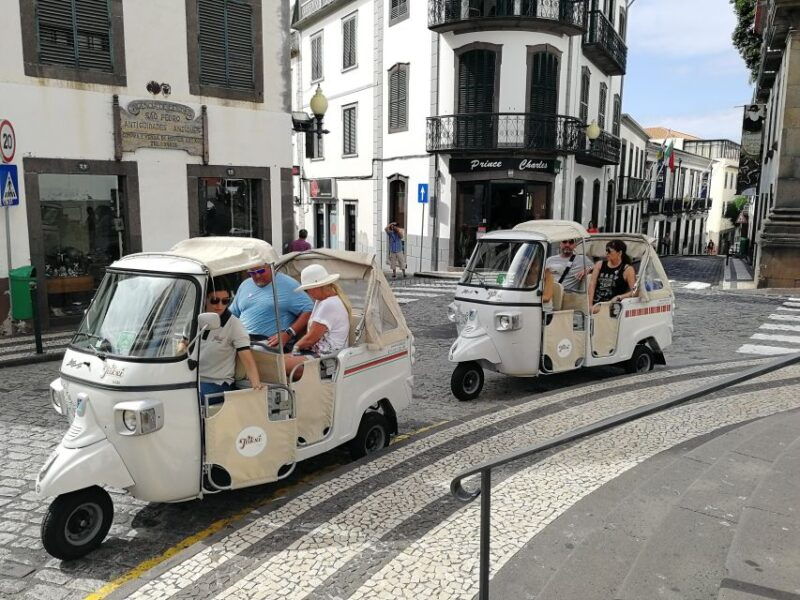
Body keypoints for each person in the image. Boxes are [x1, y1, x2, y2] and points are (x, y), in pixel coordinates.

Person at [186, 283, 263, 401]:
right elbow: (184, 342)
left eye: (225, 301)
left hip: (218, 384)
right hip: (191, 378)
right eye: (215, 300)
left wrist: (257, 389)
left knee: (187, 398)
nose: (220, 305)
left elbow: (248, 360)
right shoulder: (193, 316)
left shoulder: (234, 324)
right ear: (205, 299)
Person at [284, 264, 351, 378]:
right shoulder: (325, 300)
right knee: (276, 361)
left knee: (278, 365)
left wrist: (295, 348)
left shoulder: (328, 304)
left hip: (326, 361)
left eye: (307, 290)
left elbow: (310, 339)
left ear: (316, 287)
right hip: (321, 355)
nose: (308, 293)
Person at [229, 263, 313, 347]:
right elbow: (232, 313)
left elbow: (309, 309)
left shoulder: (289, 284)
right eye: (252, 273)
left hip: (269, 343)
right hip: (242, 340)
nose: (257, 275)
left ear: (271, 266)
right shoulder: (245, 285)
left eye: (261, 271)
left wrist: (289, 333)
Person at [588, 239, 637, 313]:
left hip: (613, 307)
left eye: (609, 251)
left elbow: (634, 291)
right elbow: (592, 284)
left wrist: (619, 297)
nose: (606, 253)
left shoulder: (627, 269)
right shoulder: (600, 264)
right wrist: (590, 305)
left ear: (619, 253)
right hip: (596, 304)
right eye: (606, 250)